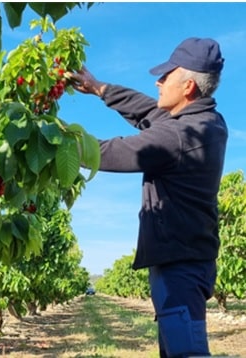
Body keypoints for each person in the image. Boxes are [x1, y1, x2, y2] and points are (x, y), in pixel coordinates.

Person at [67, 37, 227, 357]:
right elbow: (148, 110)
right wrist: (100, 88)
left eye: (167, 76)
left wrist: (48, 140)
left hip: (179, 265)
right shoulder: (205, 121)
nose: (159, 81)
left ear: (188, 86)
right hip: (185, 258)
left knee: (186, 352)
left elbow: (111, 152)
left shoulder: (180, 135)